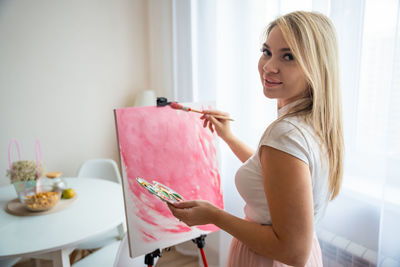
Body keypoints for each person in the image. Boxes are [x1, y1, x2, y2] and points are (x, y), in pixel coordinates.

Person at [168, 11, 343, 267]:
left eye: (289, 56)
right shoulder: (314, 123)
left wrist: (214, 215)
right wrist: (229, 138)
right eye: (266, 51)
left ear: (316, 66)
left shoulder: (285, 134)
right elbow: (273, 177)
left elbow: (292, 251)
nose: (269, 66)